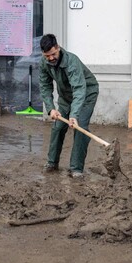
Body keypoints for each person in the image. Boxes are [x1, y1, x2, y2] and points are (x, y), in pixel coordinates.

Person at [38, 34, 99, 179]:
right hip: (66, 97)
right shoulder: (44, 63)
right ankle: (52, 163)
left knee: (80, 128)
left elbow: (79, 89)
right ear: (43, 54)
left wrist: (74, 115)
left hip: (86, 94)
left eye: (53, 54)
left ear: (58, 48)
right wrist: (51, 108)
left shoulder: (72, 61)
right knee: (58, 127)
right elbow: (45, 86)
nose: (51, 58)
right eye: (48, 56)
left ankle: (76, 168)